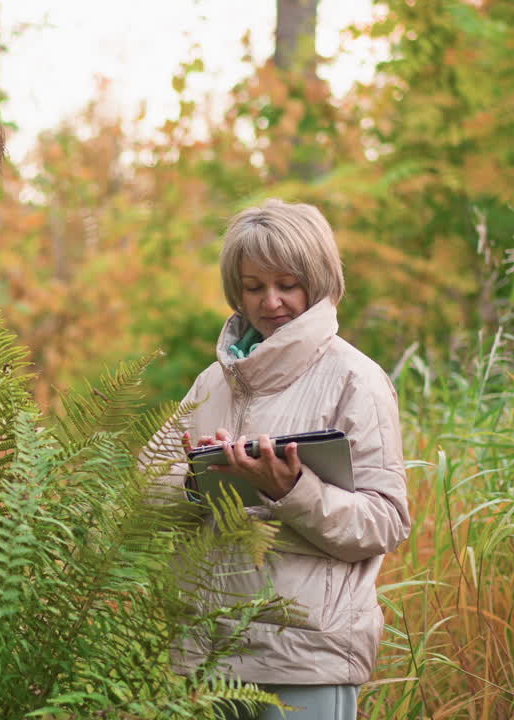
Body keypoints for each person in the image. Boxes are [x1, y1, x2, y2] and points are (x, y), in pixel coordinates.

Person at [147, 199, 411, 720]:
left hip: (307, 657)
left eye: (287, 284)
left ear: (318, 282)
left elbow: (385, 521)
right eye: (254, 287)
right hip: (210, 654)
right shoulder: (210, 383)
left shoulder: (356, 379)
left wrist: (291, 491)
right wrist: (197, 484)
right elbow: (142, 490)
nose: (271, 302)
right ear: (237, 292)